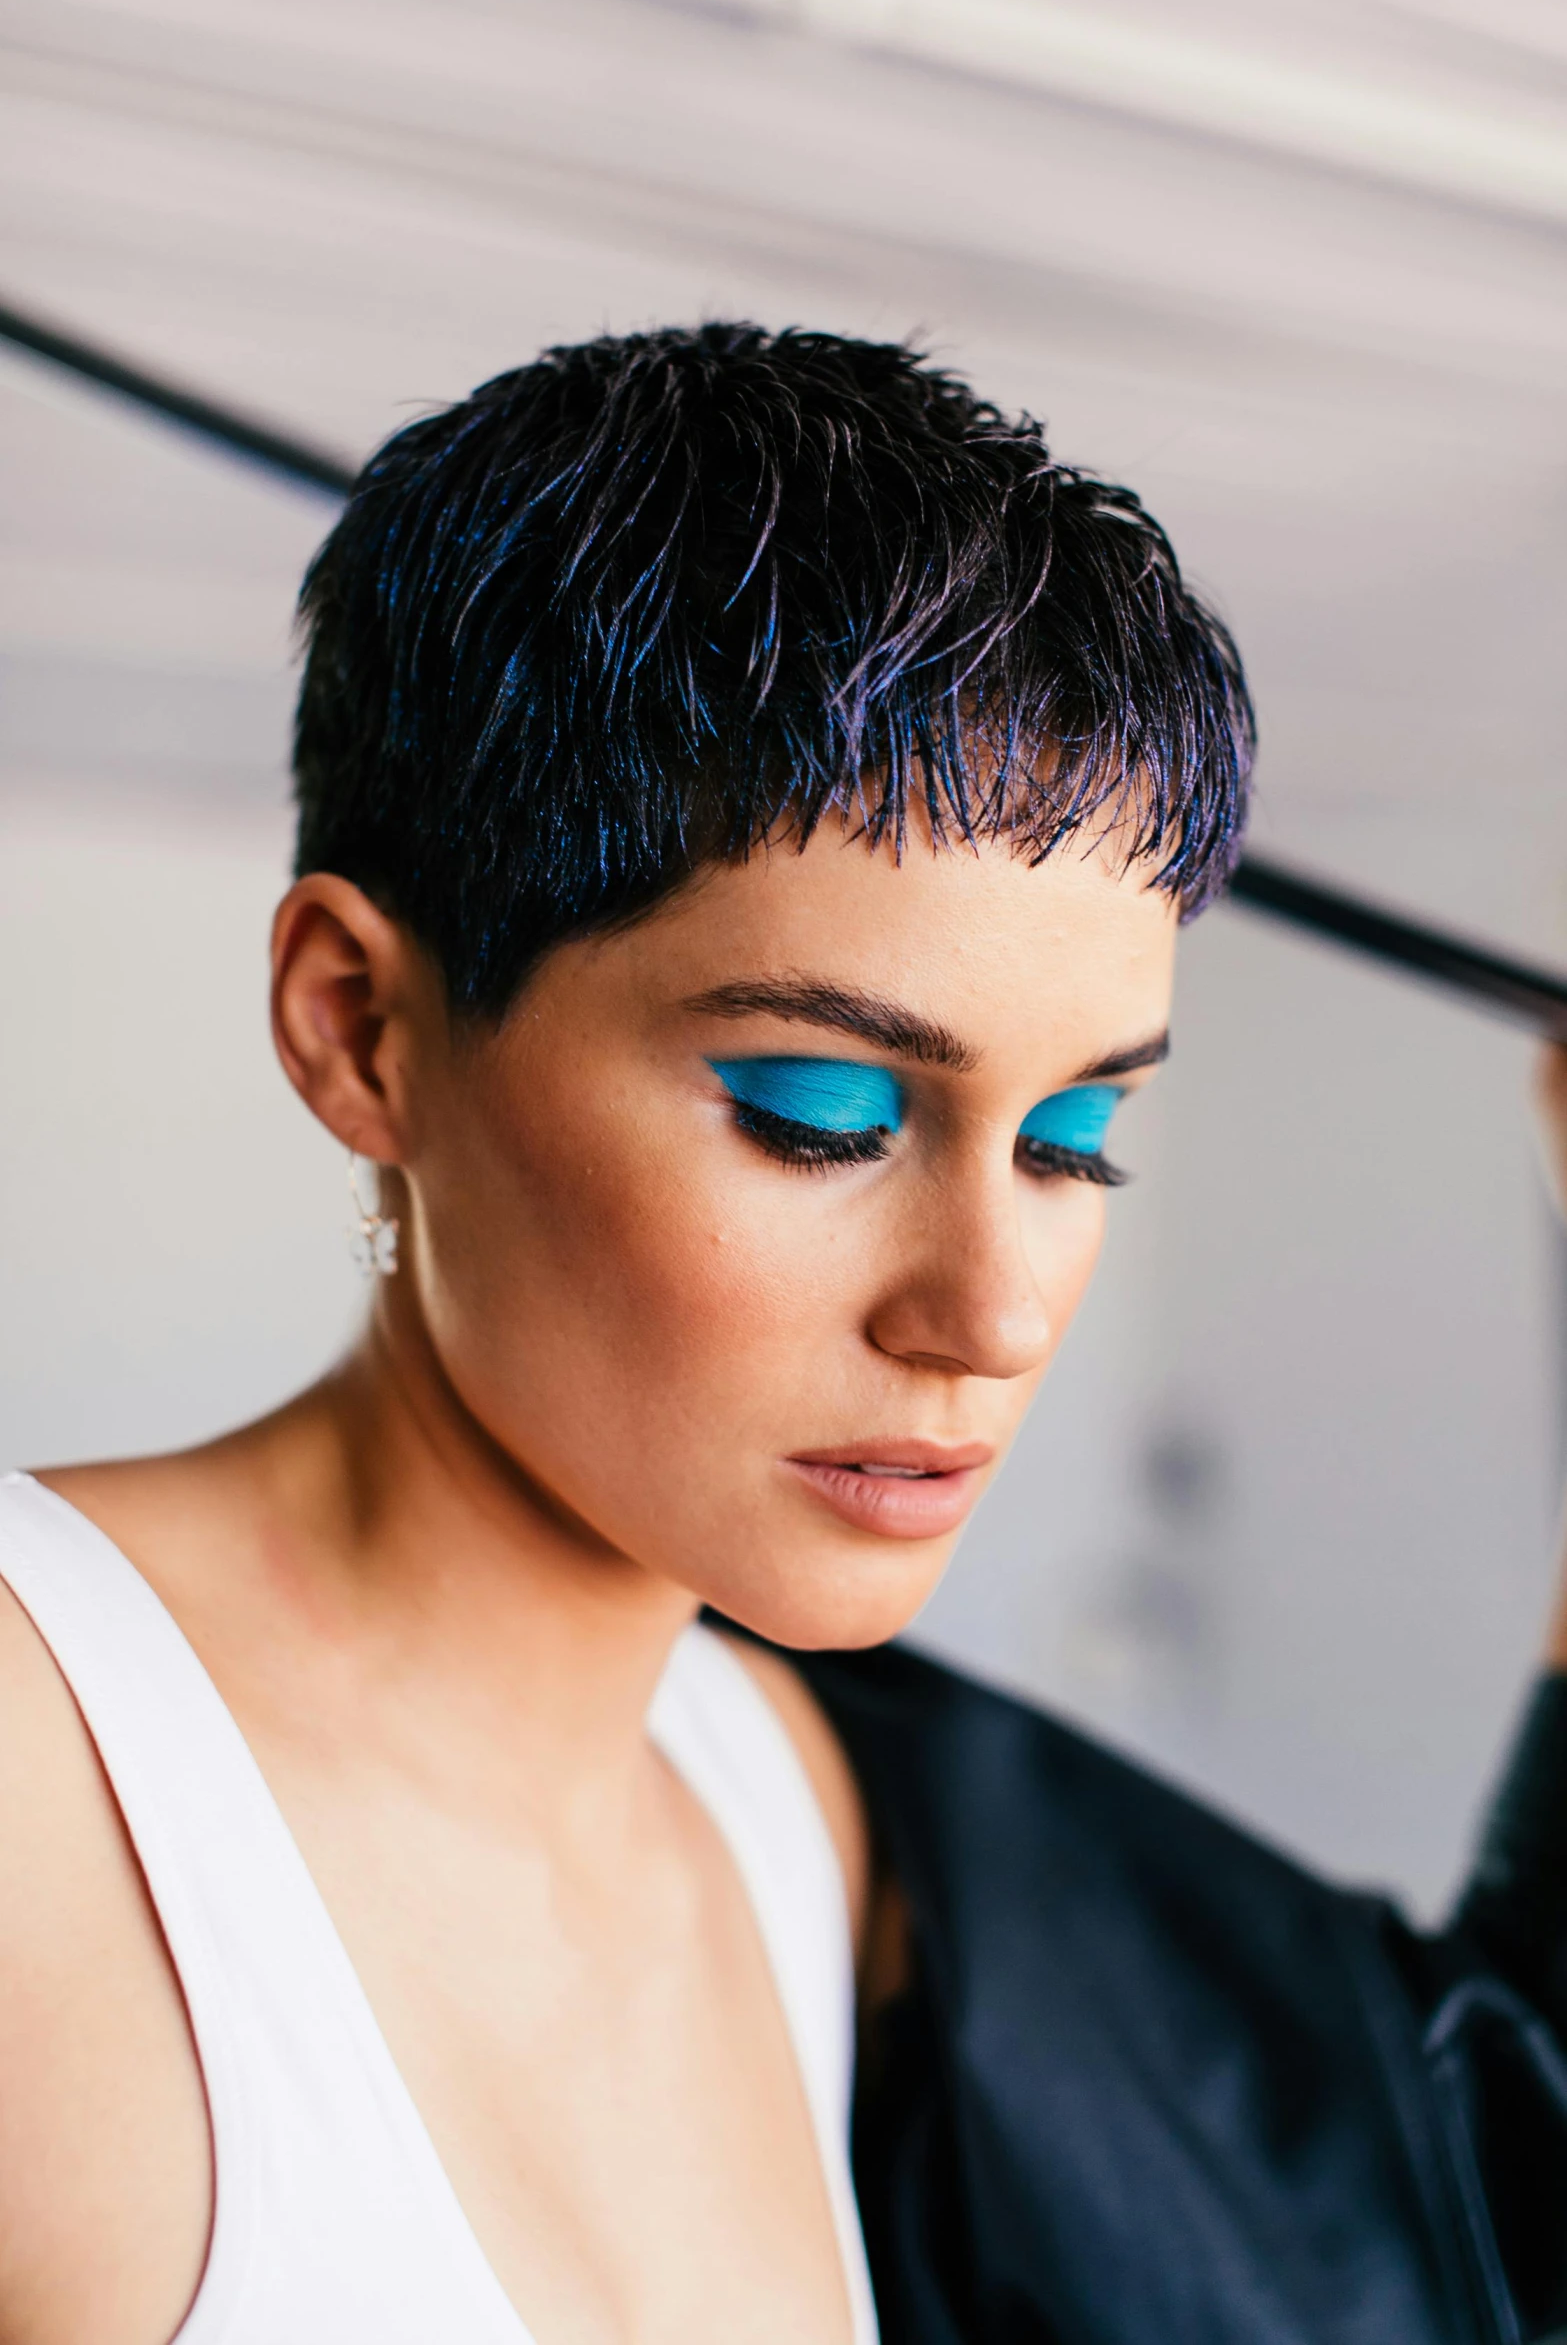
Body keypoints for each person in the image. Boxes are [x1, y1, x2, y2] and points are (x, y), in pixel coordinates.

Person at [0, 323, 1561, 2345]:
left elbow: (1472, 2179)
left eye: (1082, 1135)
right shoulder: (41, 1779)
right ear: (361, 1026)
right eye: (821, 1115)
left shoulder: (808, 1816)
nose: (990, 1311)